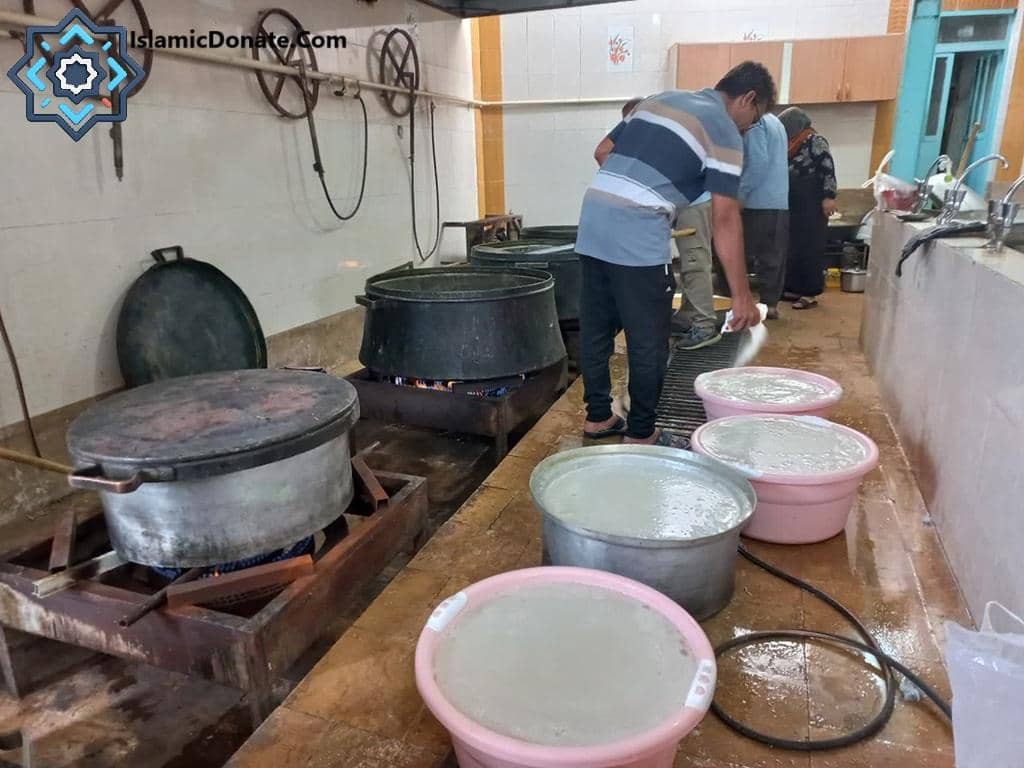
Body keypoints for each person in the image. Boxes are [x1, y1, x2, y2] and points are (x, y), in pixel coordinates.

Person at [576, 62, 772, 446]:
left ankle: (598, 417)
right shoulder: (725, 131)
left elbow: (603, 152)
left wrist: (646, 190)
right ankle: (642, 432)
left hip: (593, 218)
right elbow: (726, 218)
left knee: (597, 329)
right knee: (649, 337)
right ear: (747, 98)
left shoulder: (659, 99)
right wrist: (742, 297)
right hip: (637, 233)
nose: (749, 127)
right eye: (755, 118)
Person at [778, 107, 837, 310]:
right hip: (795, 203)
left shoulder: (815, 140)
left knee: (810, 247)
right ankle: (794, 288)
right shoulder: (792, 144)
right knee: (794, 247)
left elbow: (828, 168)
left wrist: (829, 197)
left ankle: (810, 293)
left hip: (813, 201)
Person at [737, 111, 790, 320]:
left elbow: (757, 163)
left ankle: (739, 303)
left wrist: (741, 193)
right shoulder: (775, 122)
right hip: (778, 200)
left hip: (757, 201)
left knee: (740, 253)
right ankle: (770, 303)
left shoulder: (755, 123)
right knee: (773, 255)